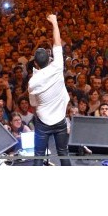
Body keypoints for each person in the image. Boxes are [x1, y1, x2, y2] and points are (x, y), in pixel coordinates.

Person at [28, 14, 71, 166]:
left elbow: (33, 103)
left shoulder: (33, 81)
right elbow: (57, 43)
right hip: (60, 120)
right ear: (49, 58)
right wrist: (54, 22)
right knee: (63, 152)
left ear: (36, 64)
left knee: (39, 155)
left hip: (43, 123)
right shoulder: (58, 65)